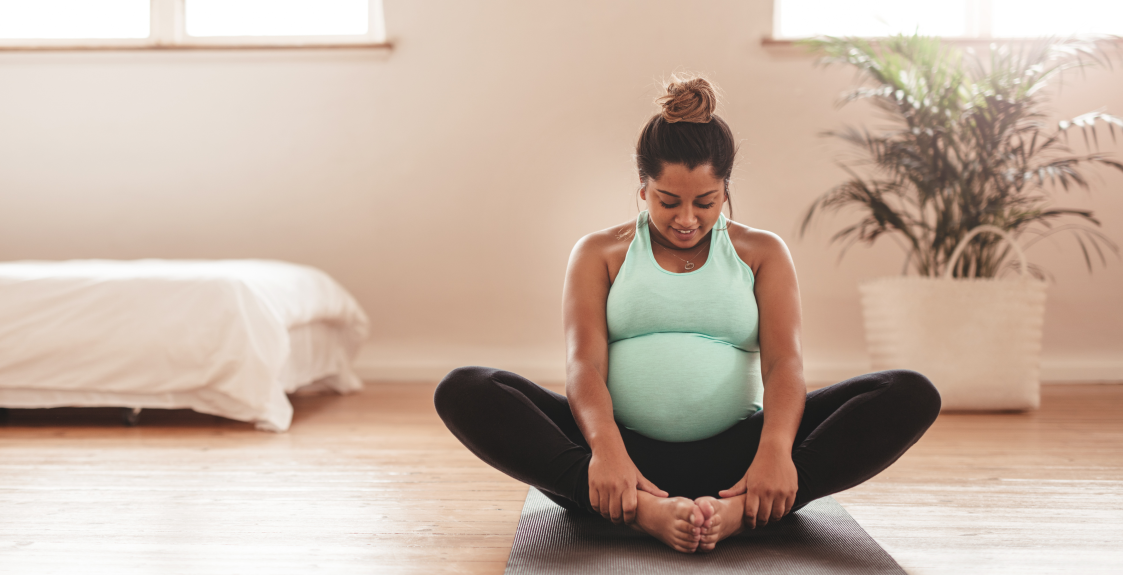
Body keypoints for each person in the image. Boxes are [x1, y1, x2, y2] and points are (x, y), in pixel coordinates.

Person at [434, 75, 941, 553]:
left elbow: (784, 365)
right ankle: (639, 509)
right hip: (618, 456)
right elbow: (583, 367)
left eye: (706, 202)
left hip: (737, 457)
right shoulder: (599, 253)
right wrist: (607, 452)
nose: (686, 219)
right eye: (668, 200)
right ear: (642, 187)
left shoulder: (761, 252)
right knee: (466, 388)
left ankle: (745, 507)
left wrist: (775, 451)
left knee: (908, 393)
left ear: (726, 190)